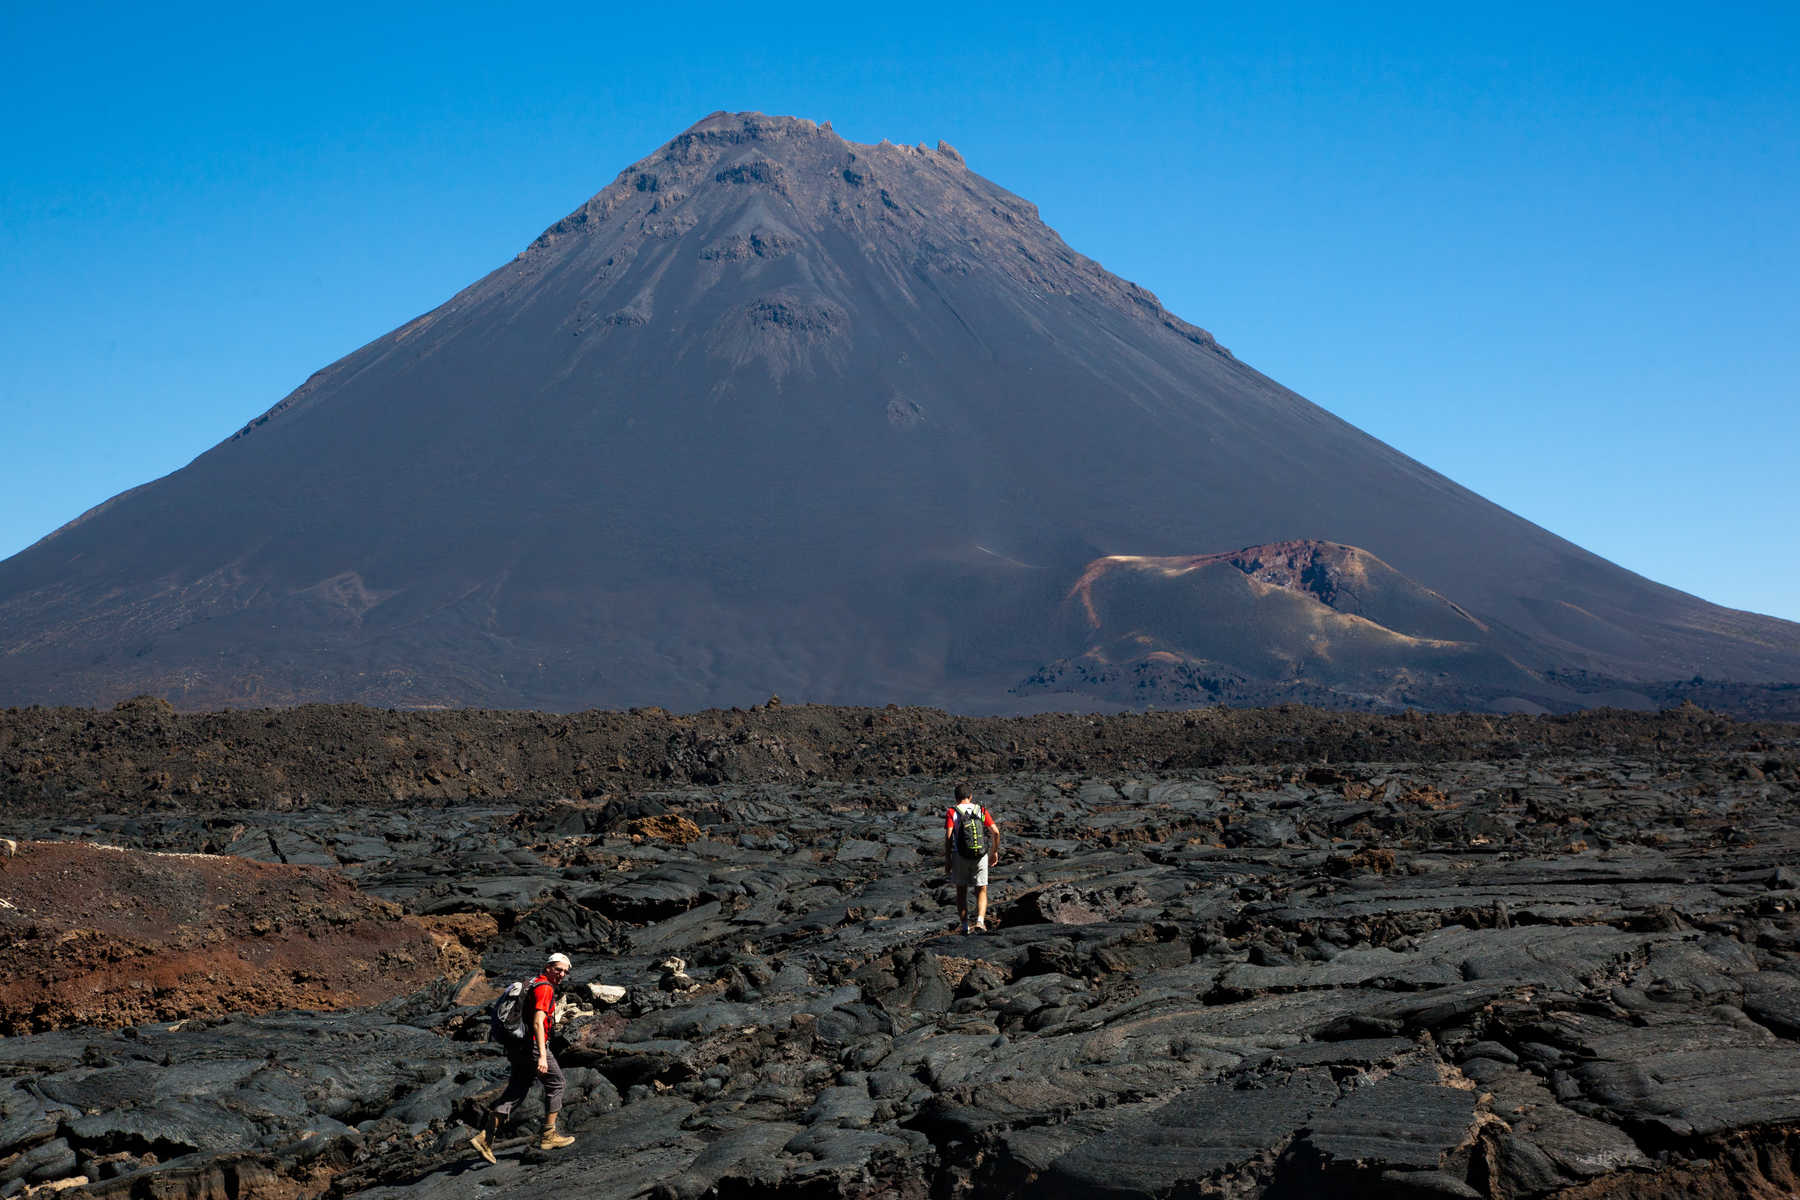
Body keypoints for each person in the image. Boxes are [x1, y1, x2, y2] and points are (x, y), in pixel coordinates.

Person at [470, 952, 576, 1161]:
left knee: (517, 1090)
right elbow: (538, 1022)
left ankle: (485, 1138)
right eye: (558, 969)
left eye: (565, 970)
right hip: (533, 1046)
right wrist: (543, 1056)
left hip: (517, 1046)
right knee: (557, 1084)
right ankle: (548, 1136)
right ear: (548, 968)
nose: (562, 974)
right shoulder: (545, 988)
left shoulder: (532, 982)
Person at [944, 783, 1000, 933]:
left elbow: (949, 837)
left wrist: (948, 859)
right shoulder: (980, 810)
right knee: (981, 889)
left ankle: (964, 926)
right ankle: (980, 922)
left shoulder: (952, 812)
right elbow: (995, 832)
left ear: (956, 798)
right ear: (971, 797)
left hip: (959, 855)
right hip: (980, 855)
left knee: (961, 891)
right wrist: (994, 852)